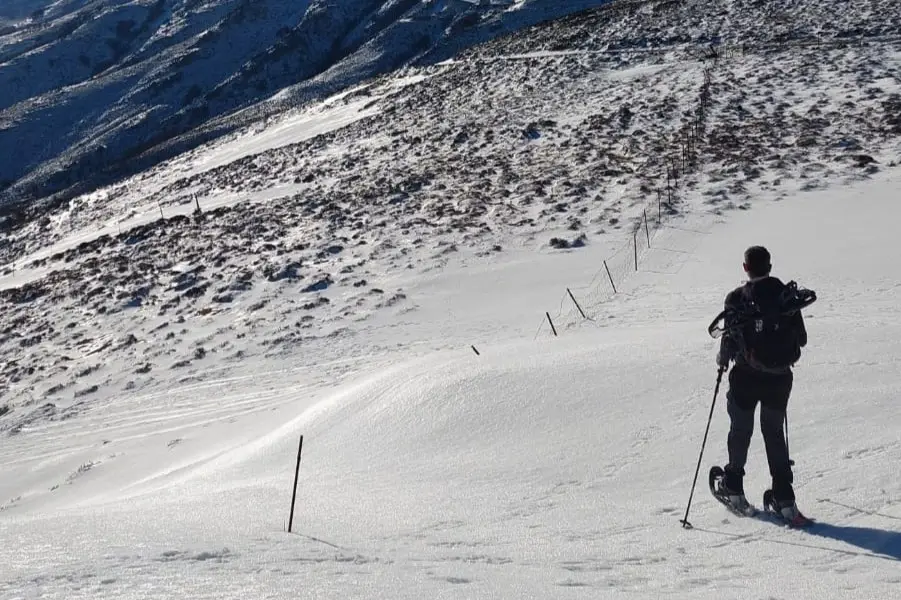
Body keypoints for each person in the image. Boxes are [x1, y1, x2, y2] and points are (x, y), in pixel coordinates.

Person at [715, 245, 809, 525]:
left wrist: (722, 362)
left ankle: (733, 488)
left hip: (745, 378)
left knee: (741, 429)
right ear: (769, 266)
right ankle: (784, 498)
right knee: (774, 433)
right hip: (780, 379)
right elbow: (801, 339)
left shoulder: (736, 298)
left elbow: (728, 340)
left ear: (746, 268)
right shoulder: (786, 295)